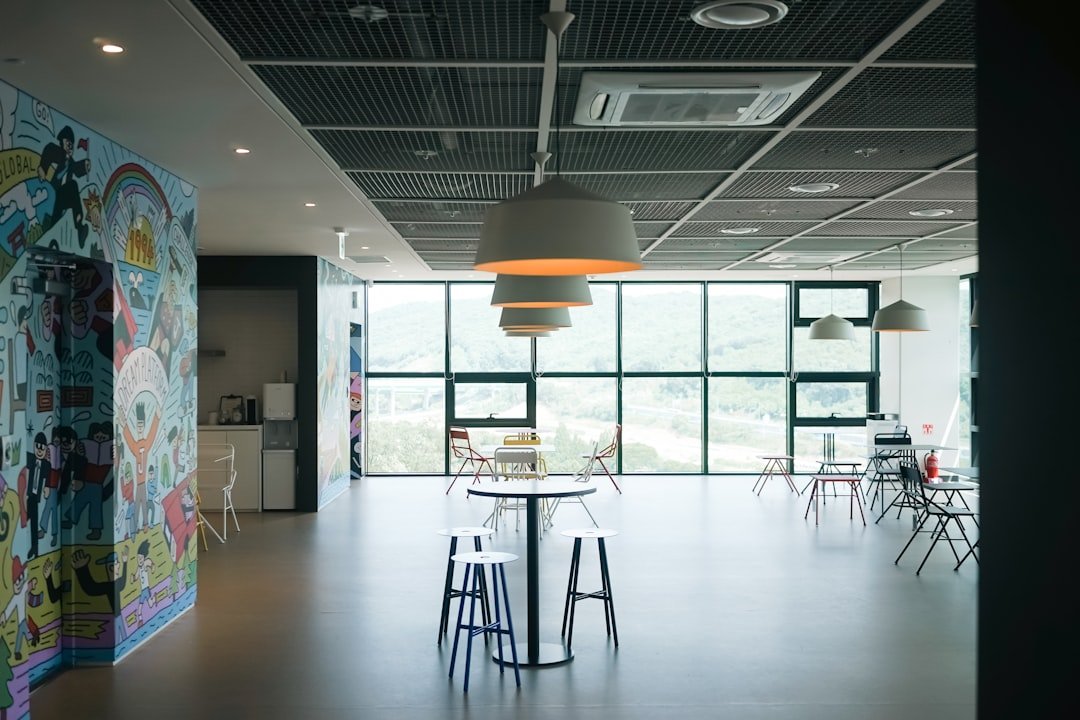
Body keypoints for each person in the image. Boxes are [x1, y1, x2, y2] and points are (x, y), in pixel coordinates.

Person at [36, 125, 92, 246]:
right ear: (62, 142)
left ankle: (79, 226)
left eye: (71, 144)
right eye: (68, 143)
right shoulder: (56, 152)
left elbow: (77, 168)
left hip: (60, 203)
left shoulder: (70, 162)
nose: (70, 147)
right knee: (72, 186)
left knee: (72, 186)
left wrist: (85, 165)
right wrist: (42, 168)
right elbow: (48, 153)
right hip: (51, 196)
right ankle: (78, 226)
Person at [72, 547, 129, 642]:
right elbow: (90, 588)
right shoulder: (109, 586)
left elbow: (91, 588)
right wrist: (82, 569)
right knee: (121, 638)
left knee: (122, 638)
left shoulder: (115, 584)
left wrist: (125, 562)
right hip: (115, 618)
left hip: (118, 617)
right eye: (117, 563)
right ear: (111, 568)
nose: (119, 564)